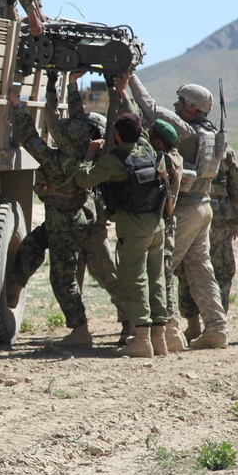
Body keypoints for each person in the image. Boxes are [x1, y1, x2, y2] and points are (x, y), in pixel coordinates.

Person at [6, 71, 124, 341]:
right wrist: (70, 84)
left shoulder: (55, 161)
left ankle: (80, 329)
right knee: (34, 244)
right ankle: (15, 283)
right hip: (73, 220)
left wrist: (18, 105)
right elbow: (78, 118)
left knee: (62, 278)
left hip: (66, 226)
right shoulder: (90, 153)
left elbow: (29, 138)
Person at [125, 73, 228, 350]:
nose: (177, 104)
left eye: (182, 101)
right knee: (200, 270)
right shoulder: (210, 133)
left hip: (185, 208)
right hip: (203, 207)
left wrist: (130, 78)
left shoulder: (187, 131)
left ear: (193, 108)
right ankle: (217, 328)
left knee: (164, 267)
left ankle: (170, 331)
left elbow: (151, 109)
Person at [76, 113, 167, 358]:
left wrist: (89, 155)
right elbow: (140, 131)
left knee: (134, 281)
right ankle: (160, 338)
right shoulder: (146, 150)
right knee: (155, 279)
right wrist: (124, 94)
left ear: (116, 135)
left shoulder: (115, 161)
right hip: (157, 225)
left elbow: (83, 178)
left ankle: (141, 339)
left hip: (134, 229)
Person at [179, 146, 238, 340]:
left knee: (188, 269)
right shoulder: (220, 146)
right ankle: (217, 324)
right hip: (220, 218)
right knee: (221, 272)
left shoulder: (184, 142)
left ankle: (193, 325)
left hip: (189, 214)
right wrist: (236, 216)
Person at [147, 118, 188, 353]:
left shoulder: (164, 161)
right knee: (165, 276)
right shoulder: (176, 156)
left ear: (159, 142)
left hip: (164, 219)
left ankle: (171, 330)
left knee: (163, 277)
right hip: (168, 221)